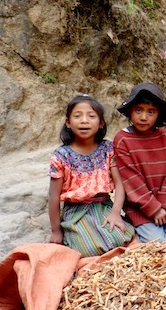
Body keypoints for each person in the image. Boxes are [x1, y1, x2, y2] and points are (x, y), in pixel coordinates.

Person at [48, 95, 134, 257]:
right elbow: (53, 196)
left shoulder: (107, 149)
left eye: (91, 116)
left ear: (101, 123)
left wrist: (115, 213)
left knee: (120, 236)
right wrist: (56, 231)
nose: (84, 121)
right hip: (76, 212)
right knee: (88, 248)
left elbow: (120, 184)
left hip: (103, 206)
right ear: (68, 122)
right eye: (77, 116)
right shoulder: (62, 155)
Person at [114, 82, 166, 243]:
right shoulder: (123, 139)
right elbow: (131, 179)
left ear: (159, 114)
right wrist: (154, 209)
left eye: (151, 111)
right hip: (140, 206)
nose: (143, 117)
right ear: (130, 111)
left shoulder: (164, 137)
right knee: (157, 243)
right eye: (138, 110)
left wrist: (165, 200)